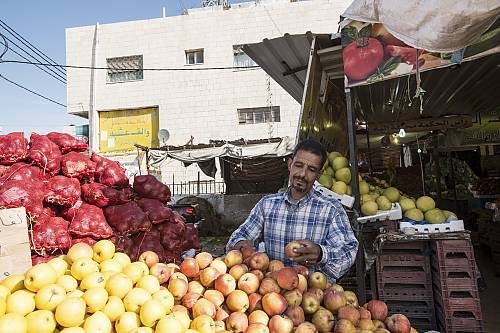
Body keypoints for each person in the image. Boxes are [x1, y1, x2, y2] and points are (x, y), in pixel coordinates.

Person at [226, 139, 358, 281]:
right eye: (298, 165)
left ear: (319, 174)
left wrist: (321, 254)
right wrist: (240, 246)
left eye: (311, 170)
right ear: (290, 164)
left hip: (315, 295)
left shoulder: (331, 209)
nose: (302, 174)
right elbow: (240, 236)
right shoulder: (268, 205)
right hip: (272, 295)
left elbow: (349, 252)